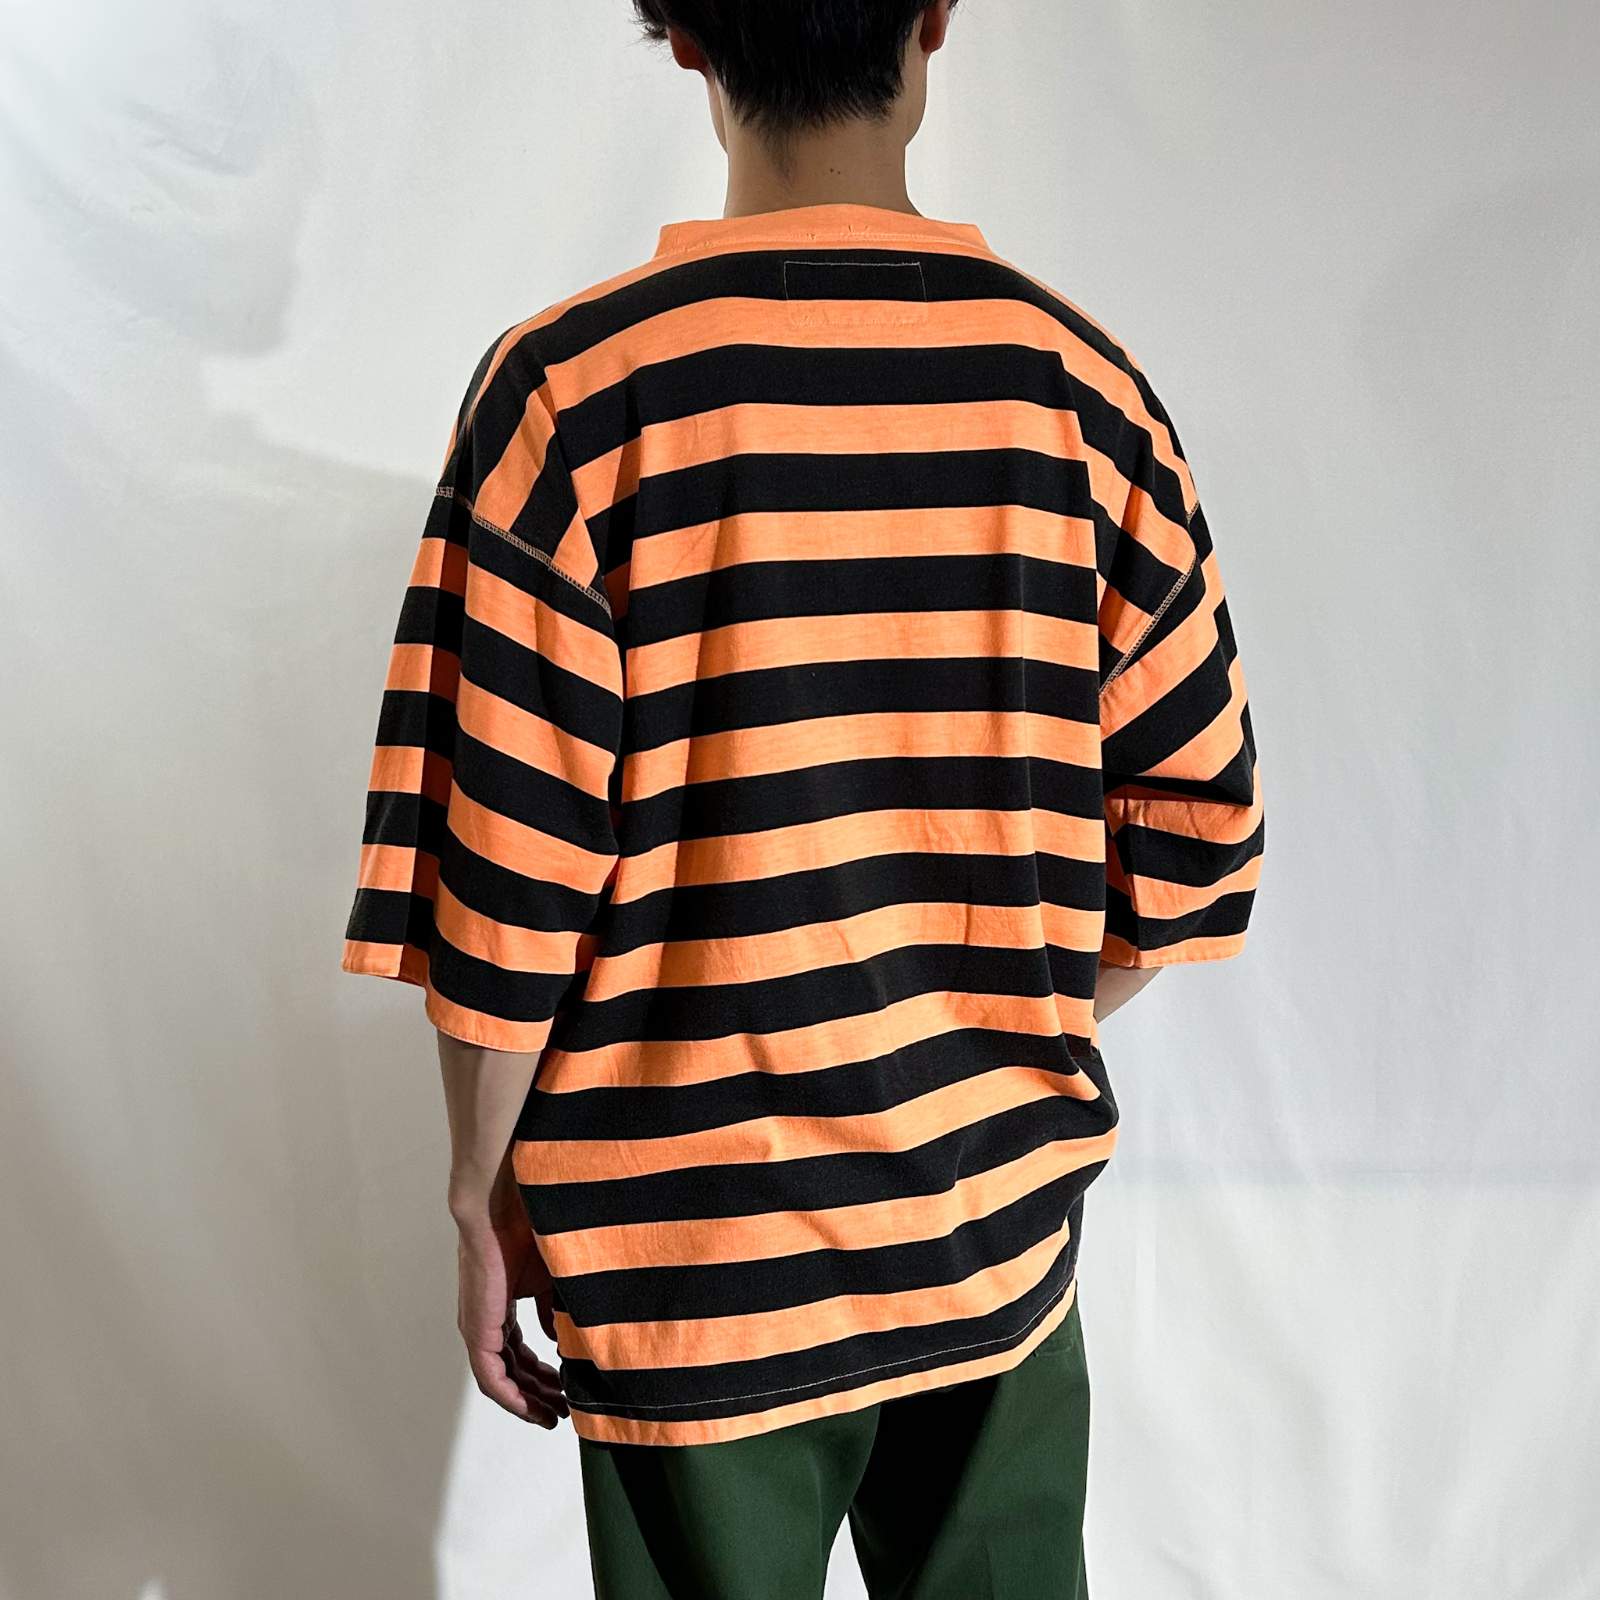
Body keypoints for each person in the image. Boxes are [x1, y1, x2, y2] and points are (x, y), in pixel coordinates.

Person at [339, 2, 1266, 1594]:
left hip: (688, 1254)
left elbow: (506, 878)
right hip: (989, 1235)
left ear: (688, 38)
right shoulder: (1081, 395)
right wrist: (983, 1028)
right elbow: (1198, 841)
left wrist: (479, 1193)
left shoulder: (571, 397)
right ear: (936, 16)